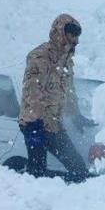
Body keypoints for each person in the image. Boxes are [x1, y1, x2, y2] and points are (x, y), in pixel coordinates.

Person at [18, 13, 95, 181]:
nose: (75, 39)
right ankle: (32, 202)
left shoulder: (66, 60)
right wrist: (34, 124)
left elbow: (69, 91)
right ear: (61, 32)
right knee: (37, 172)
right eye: (72, 34)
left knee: (78, 170)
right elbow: (33, 91)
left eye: (77, 36)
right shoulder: (40, 56)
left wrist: (76, 115)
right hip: (36, 125)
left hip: (54, 125)